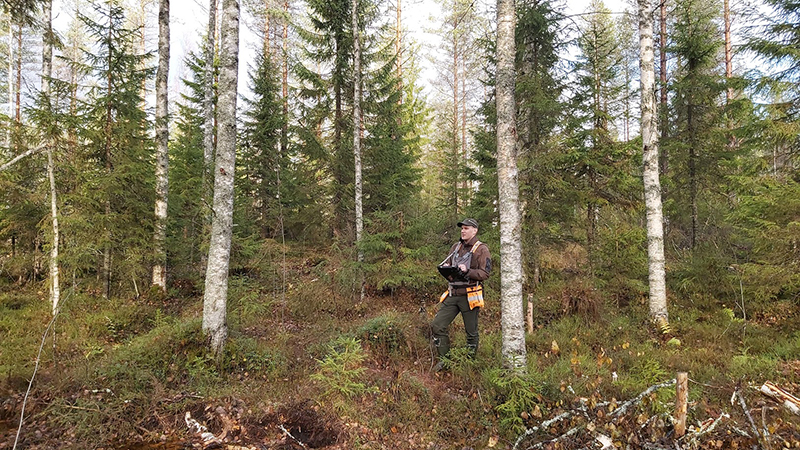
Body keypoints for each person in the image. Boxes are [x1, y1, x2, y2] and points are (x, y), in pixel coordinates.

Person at [431, 218, 492, 372]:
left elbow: (485, 273)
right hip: (452, 294)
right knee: (437, 325)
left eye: (466, 228)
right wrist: (447, 268)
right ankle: (444, 360)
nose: (463, 231)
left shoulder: (482, 249)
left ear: (474, 231)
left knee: (471, 332)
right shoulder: (455, 247)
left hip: (470, 295)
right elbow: (450, 265)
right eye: (462, 228)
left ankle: (469, 363)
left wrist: (468, 271)